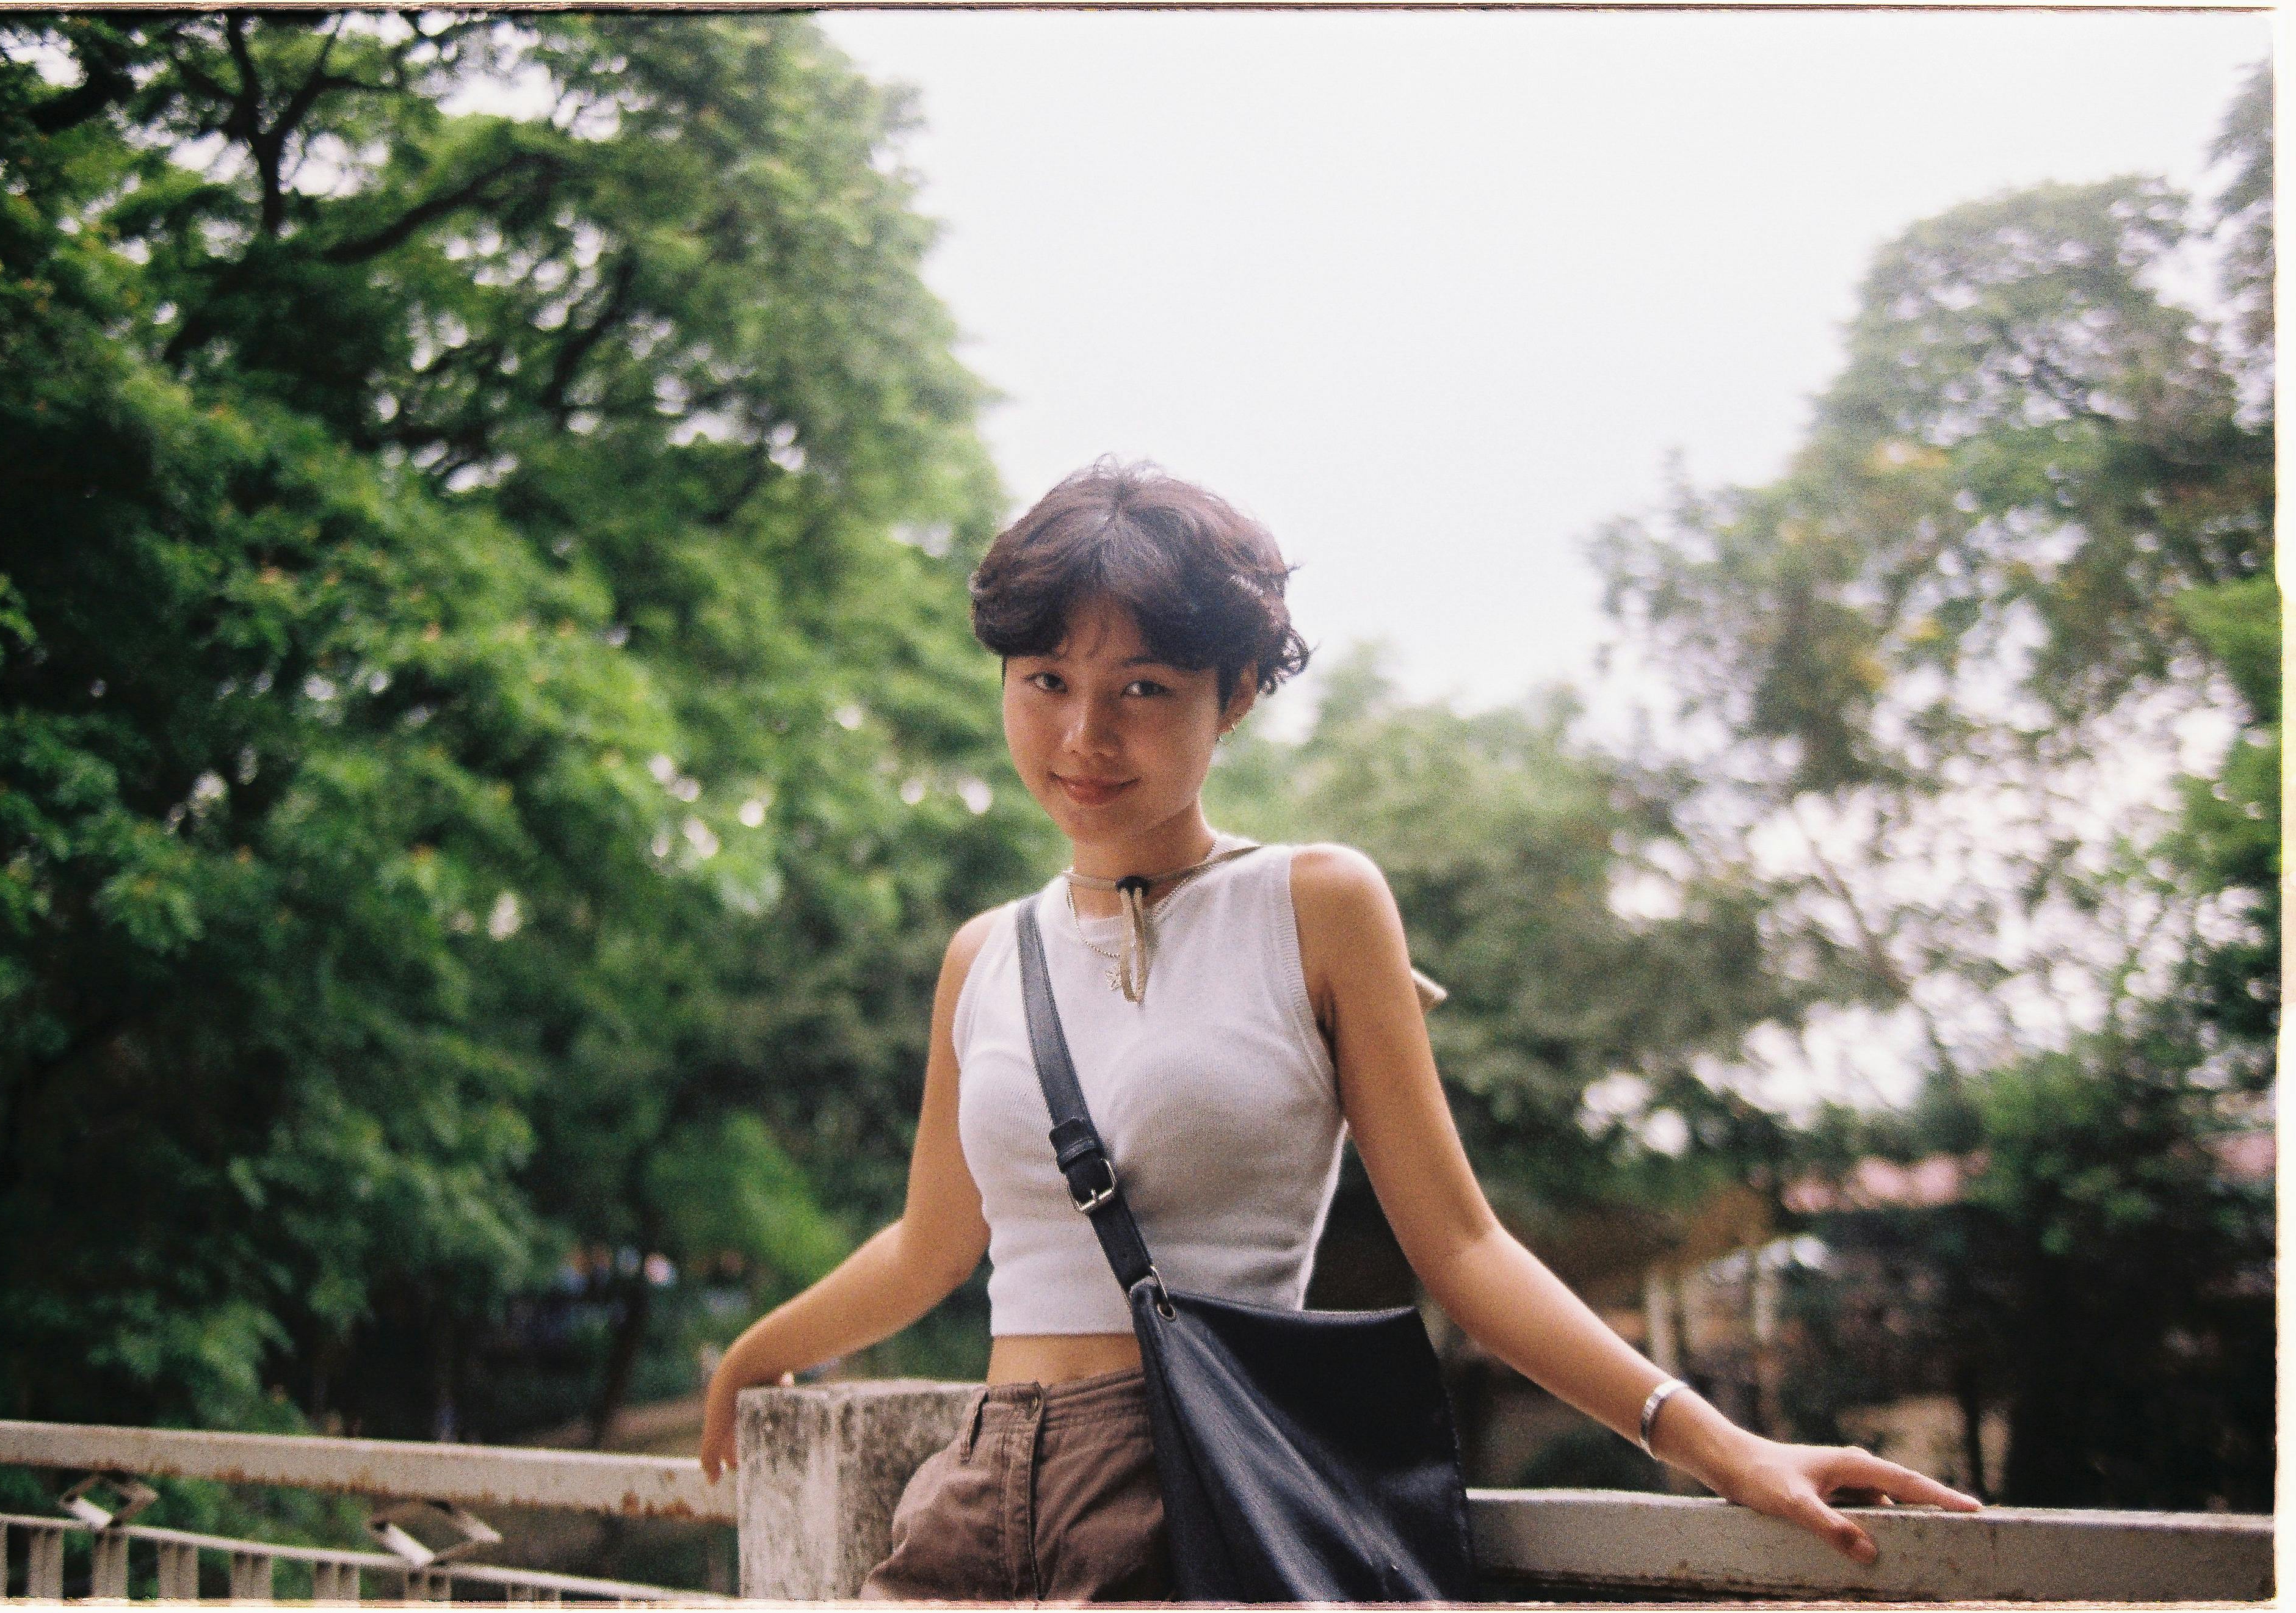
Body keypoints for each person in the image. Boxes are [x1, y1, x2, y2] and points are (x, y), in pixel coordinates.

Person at [697, 459, 1980, 1601]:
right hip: (976, 1496)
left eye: (1142, 686)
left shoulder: (1314, 906)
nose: (1084, 735)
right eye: (1046, 680)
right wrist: (759, 1352)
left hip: (1192, 1482)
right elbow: (934, 1244)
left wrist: (1714, 1440)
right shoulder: (987, 955)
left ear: (1235, 694)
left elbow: (1463, 1246)